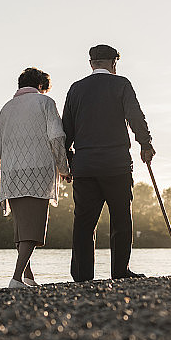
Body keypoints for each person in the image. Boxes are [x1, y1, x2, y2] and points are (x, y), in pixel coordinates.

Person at [62, 44, 155, 281]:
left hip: (84, 167)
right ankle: (120, 271)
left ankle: (82, 276)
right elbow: (135, 116)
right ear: (114, 63)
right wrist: (145, 144)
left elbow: (66, 131)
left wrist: (67, 162)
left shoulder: (75, 89)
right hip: (116, 165)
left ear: (91, 63)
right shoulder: (121, 84)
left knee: (84, 222)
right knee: (121, 219)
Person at [0, 67, 71, 289]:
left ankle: (28, 277)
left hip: (12, 174)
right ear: (41, 85)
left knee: (21, 227)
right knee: (32, 229)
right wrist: (64, 168)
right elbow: (56, 136)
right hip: (38, 171)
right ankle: (16, 278)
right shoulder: (45, 103)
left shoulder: (6, 108)